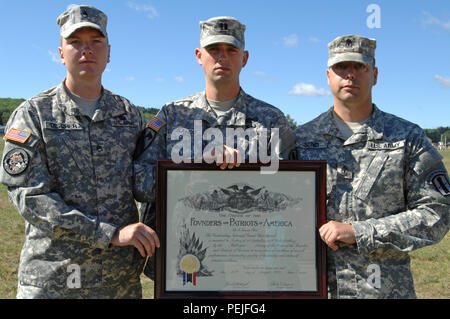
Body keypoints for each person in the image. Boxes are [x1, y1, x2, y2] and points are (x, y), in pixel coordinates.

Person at [0, 5, 159, 299]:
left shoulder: (128, 114)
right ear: (61, 53)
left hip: (118, 282)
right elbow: (30, 197)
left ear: (108, 52)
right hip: (53, 280)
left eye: (96, 42)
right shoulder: (33, 114)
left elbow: (144, 181)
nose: (86, 50)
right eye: (75, 42)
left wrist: (202, 164)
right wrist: (108, 233)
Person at [134, 16, 297, 278]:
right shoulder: (172, 115)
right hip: (182, 258)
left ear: (244, 58)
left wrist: (245, 170)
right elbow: (140, 183)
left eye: (231, 50)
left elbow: (292, 190)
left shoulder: (270, 119)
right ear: (199, 56)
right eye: (213, 50)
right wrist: (194, 167)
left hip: (247, 259)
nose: (222, 57)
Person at [295, 34, 449, 298]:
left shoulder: (407, 137)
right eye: (341, 67)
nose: (350, 75)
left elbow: (438, 212)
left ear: (375, 74)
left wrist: (360, 232)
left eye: (360, 67)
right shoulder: (300, 140)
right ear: (328, 76)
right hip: (317, 290)